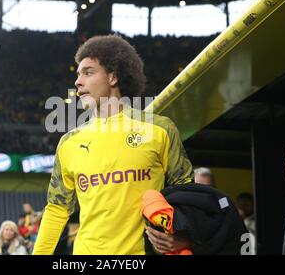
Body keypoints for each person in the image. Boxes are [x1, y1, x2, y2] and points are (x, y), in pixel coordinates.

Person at [33, 35, 194, 255]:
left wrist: (184, 237)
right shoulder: (69, 143)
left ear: (113, 77)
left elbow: (187, 191)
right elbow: (57, 209)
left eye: (88, 72)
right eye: (78, 74)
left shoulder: (159, 129)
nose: (78, 81)